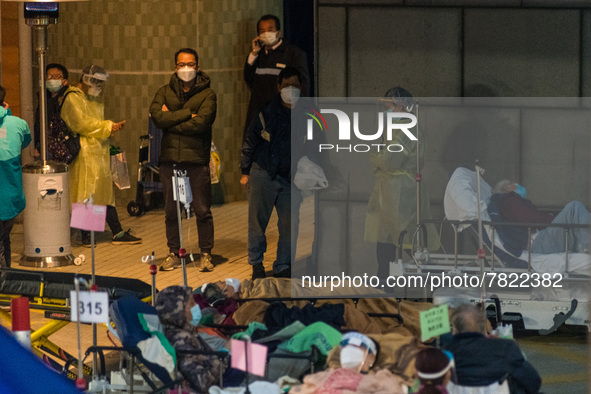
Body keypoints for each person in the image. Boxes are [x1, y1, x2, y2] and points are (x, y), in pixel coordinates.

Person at [150, 48, 217, 272]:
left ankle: (206, 254)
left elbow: (203, 123)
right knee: (171, 210)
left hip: (196, 160)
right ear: (175, 66)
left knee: (202, 210)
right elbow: (158, 117)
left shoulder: (208, 95)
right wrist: (188, 113)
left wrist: (172, 118)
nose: (185, 68)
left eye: (190, 64)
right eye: (181, 64)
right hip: (170, 160)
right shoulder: (164, 91)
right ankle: (173, 252)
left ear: (198, 67)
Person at [61, 64, 141, 247]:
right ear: (87, 80)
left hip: (98, 150)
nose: (99, 86)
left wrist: (108, 129)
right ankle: (87, 235)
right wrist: (107, 127)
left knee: (102, 192)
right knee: (86, 191)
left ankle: (116, 232)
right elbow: (82, 123)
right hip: (84, 151)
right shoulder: (73, 98)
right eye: (96, 82)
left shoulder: (90, 98)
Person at [364, 87, 439, 280]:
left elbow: (390, 160)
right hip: (391, 191)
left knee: (407, 242)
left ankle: (434, 286)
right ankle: (383, 287)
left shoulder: (407, 127)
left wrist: (374, 155)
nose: (385, 110)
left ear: (400, 105)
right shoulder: (398, 127)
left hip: (401, 193)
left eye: (388, 106)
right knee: (386, 244)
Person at [240, 67, 303, 280]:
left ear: (301, 87)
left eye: (294, 86)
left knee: (290, 223)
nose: (290, 90)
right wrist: (245, 171)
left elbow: (315, 145)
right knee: (257, 222)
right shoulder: (266, 111)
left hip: (291, 177)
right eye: (286, 86)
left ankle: (283, 265)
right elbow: (250, 141)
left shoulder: (307, 114)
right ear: (278, 87)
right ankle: (256, 263)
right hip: (263, 172)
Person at [444, 304, 541, 394]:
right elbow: (533, 382)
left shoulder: (445, 351)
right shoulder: (505, 347)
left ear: (455, 330)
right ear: (484, 328)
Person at [243, 14, 309, 139]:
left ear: (279, 32)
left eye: (270, 29)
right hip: (259, 117)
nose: (266, 33)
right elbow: (249, 79)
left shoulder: (293, 54)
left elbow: (303, 88)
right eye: (262, 31)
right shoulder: (259, 55)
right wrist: (253, 54)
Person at [155, 286, 227, 394]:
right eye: (192, 303)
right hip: (219, 385)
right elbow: (202, 383)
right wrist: (225, 354)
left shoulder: (186, 333)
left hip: (221, 378)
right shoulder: (180, 341)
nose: (197, 306)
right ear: (179, 310)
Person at [490, 179, 590, 255]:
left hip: (541, 240)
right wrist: (552, 219)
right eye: (513, 184)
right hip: (539, 243)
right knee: (574, 207)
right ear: (507, 188)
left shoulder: (512, 203)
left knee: (583, 217)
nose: (517, 185)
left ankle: (584, 247)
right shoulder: (509, 201)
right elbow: (529, 218)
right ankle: (587, 247)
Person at [291, 331, 407, 393]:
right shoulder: (323, 376)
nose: (350, 349)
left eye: (360, 347)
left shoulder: (380, 380)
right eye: (346, 345)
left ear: (372, 358)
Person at [0, 86, 31, 268]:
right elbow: (25, 141)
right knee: (5, 239)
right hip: (11, 197)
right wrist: (7, 113)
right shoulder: (18, 124)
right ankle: (8, 278)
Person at [33, 63, 69, 158]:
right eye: (49, 76)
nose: (52, 79)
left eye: (57, 76)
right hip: (44, 146)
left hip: (60, 148)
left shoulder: (67, 99)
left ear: (64, 81)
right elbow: (39, 124)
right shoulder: (44, 98)